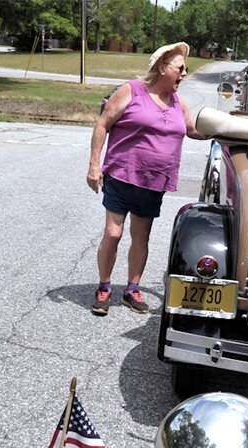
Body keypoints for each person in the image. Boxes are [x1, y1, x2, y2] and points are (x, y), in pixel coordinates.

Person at [86, 41, 202, 316]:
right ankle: (104, 287)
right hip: (122, 175)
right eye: (180, 68)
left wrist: (226, 129)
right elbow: (103, 123)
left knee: (141, 237)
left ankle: (131, 289)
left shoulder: (178, 103)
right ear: (163, 67)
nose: (184, 73)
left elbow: (193, 130)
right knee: (113, 234)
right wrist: (94, 164)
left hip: (154, 181)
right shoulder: (132, 90)